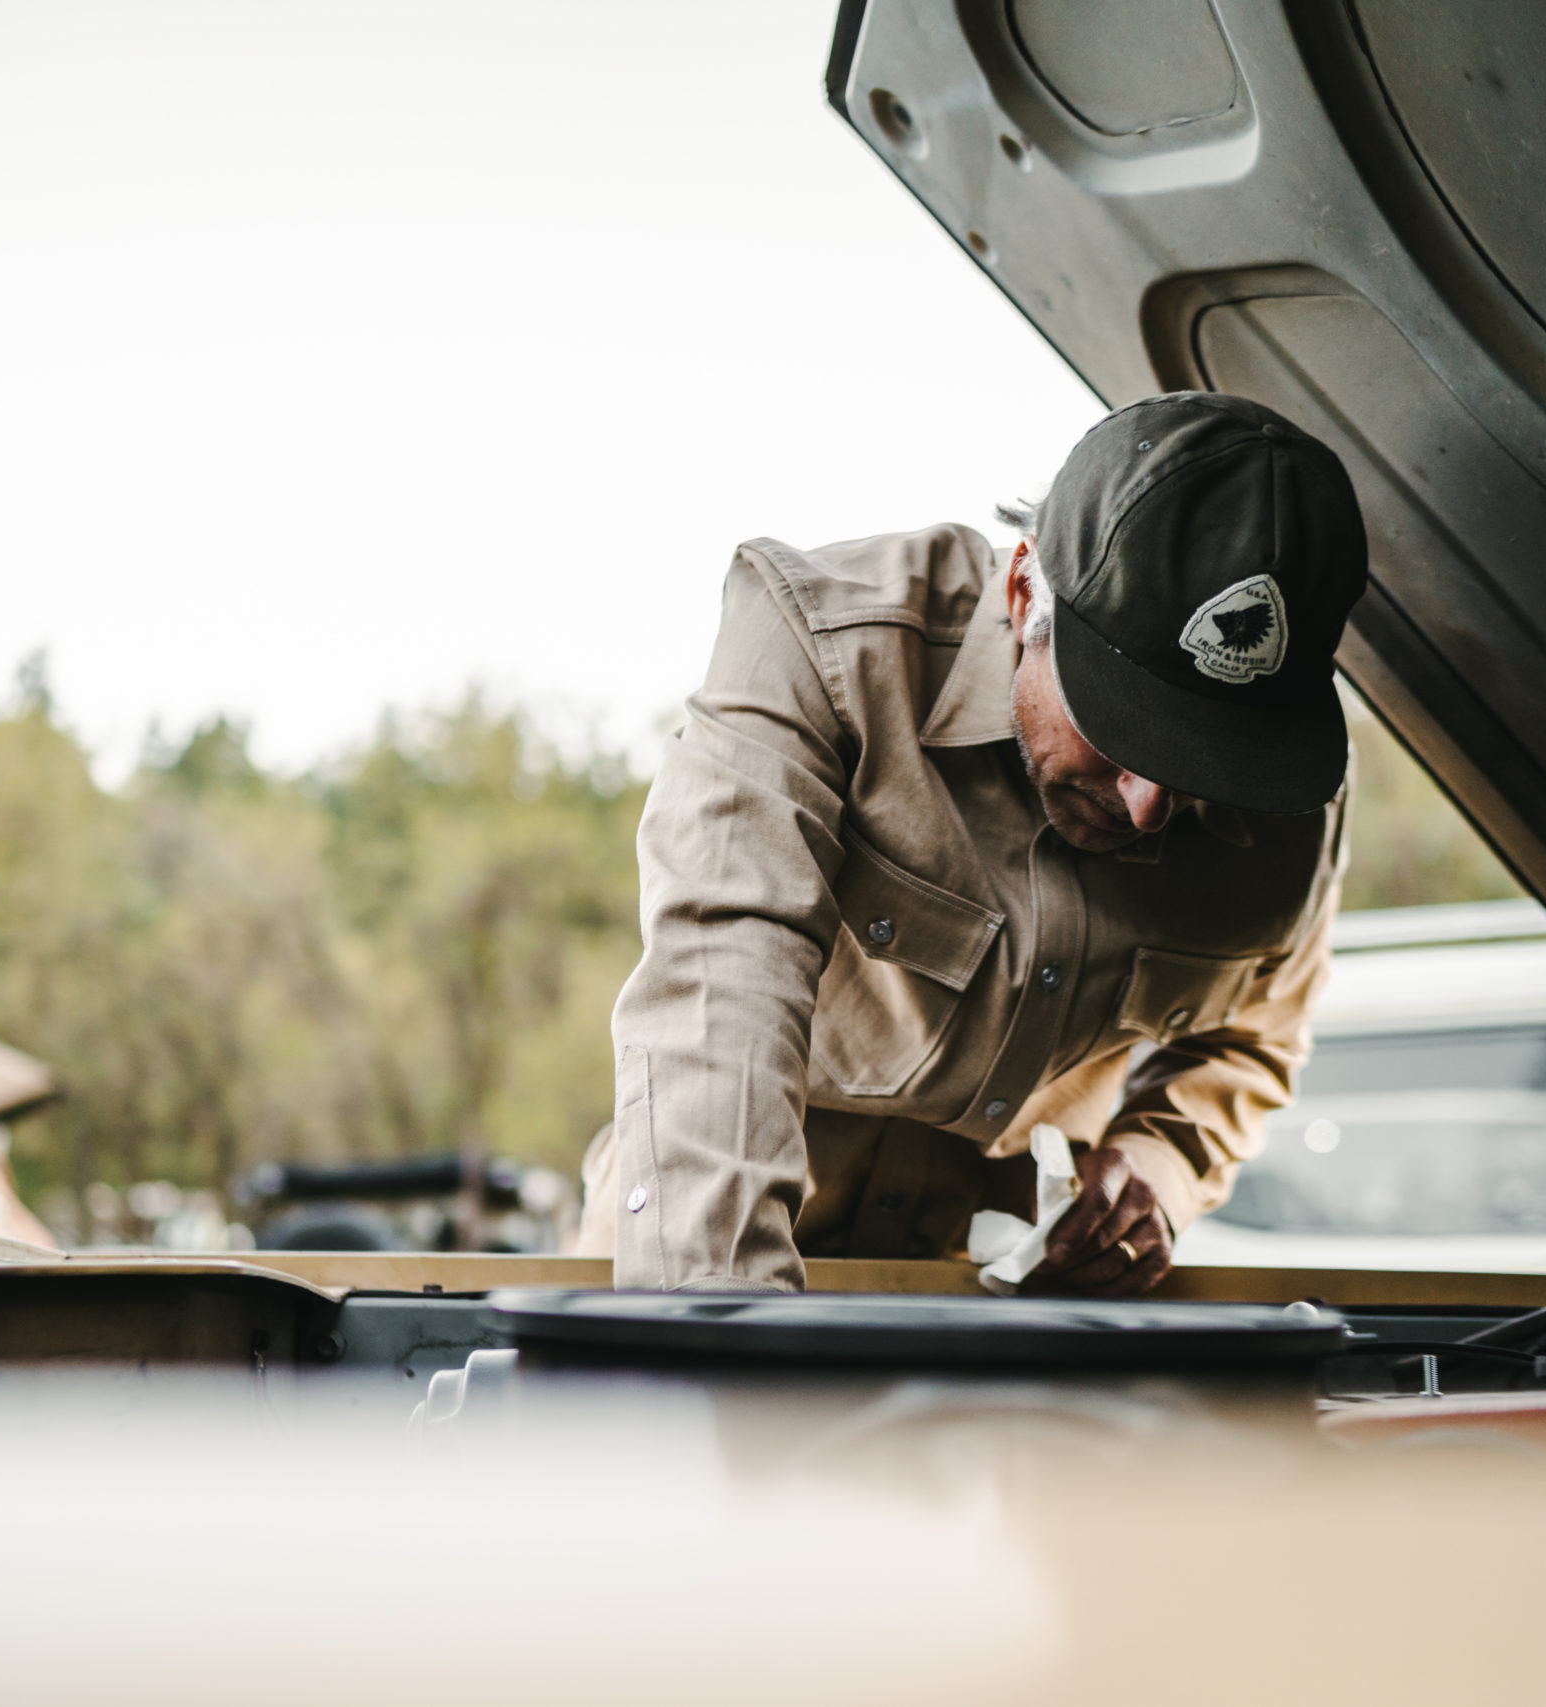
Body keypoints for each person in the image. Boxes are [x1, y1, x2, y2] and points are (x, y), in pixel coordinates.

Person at [579, 393, 1367, 1294]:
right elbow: (716, 1002)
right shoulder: (822, 653)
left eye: (1202, 760)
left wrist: (1154, 1171)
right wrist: (723, 1336)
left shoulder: (1286, 802)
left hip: (1002, 1319)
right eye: (1125, 730)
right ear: (1025, 589)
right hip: (709, 1255)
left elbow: (1250, 1041)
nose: (1150, 807)